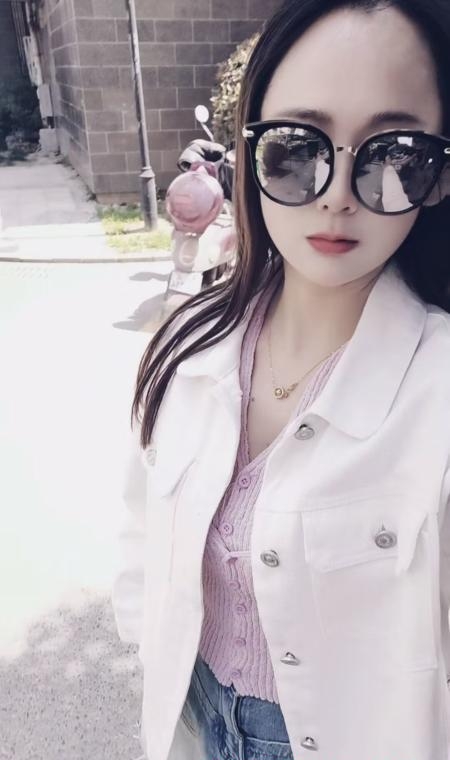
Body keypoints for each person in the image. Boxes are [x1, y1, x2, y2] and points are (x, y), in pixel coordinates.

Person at [111, 1, 450, 759]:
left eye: (396, 154)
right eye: (297, 147)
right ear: (249, 148)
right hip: (195, 717)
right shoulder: (189, 343)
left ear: (440, 177)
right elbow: (143, 532)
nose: (339, 193)